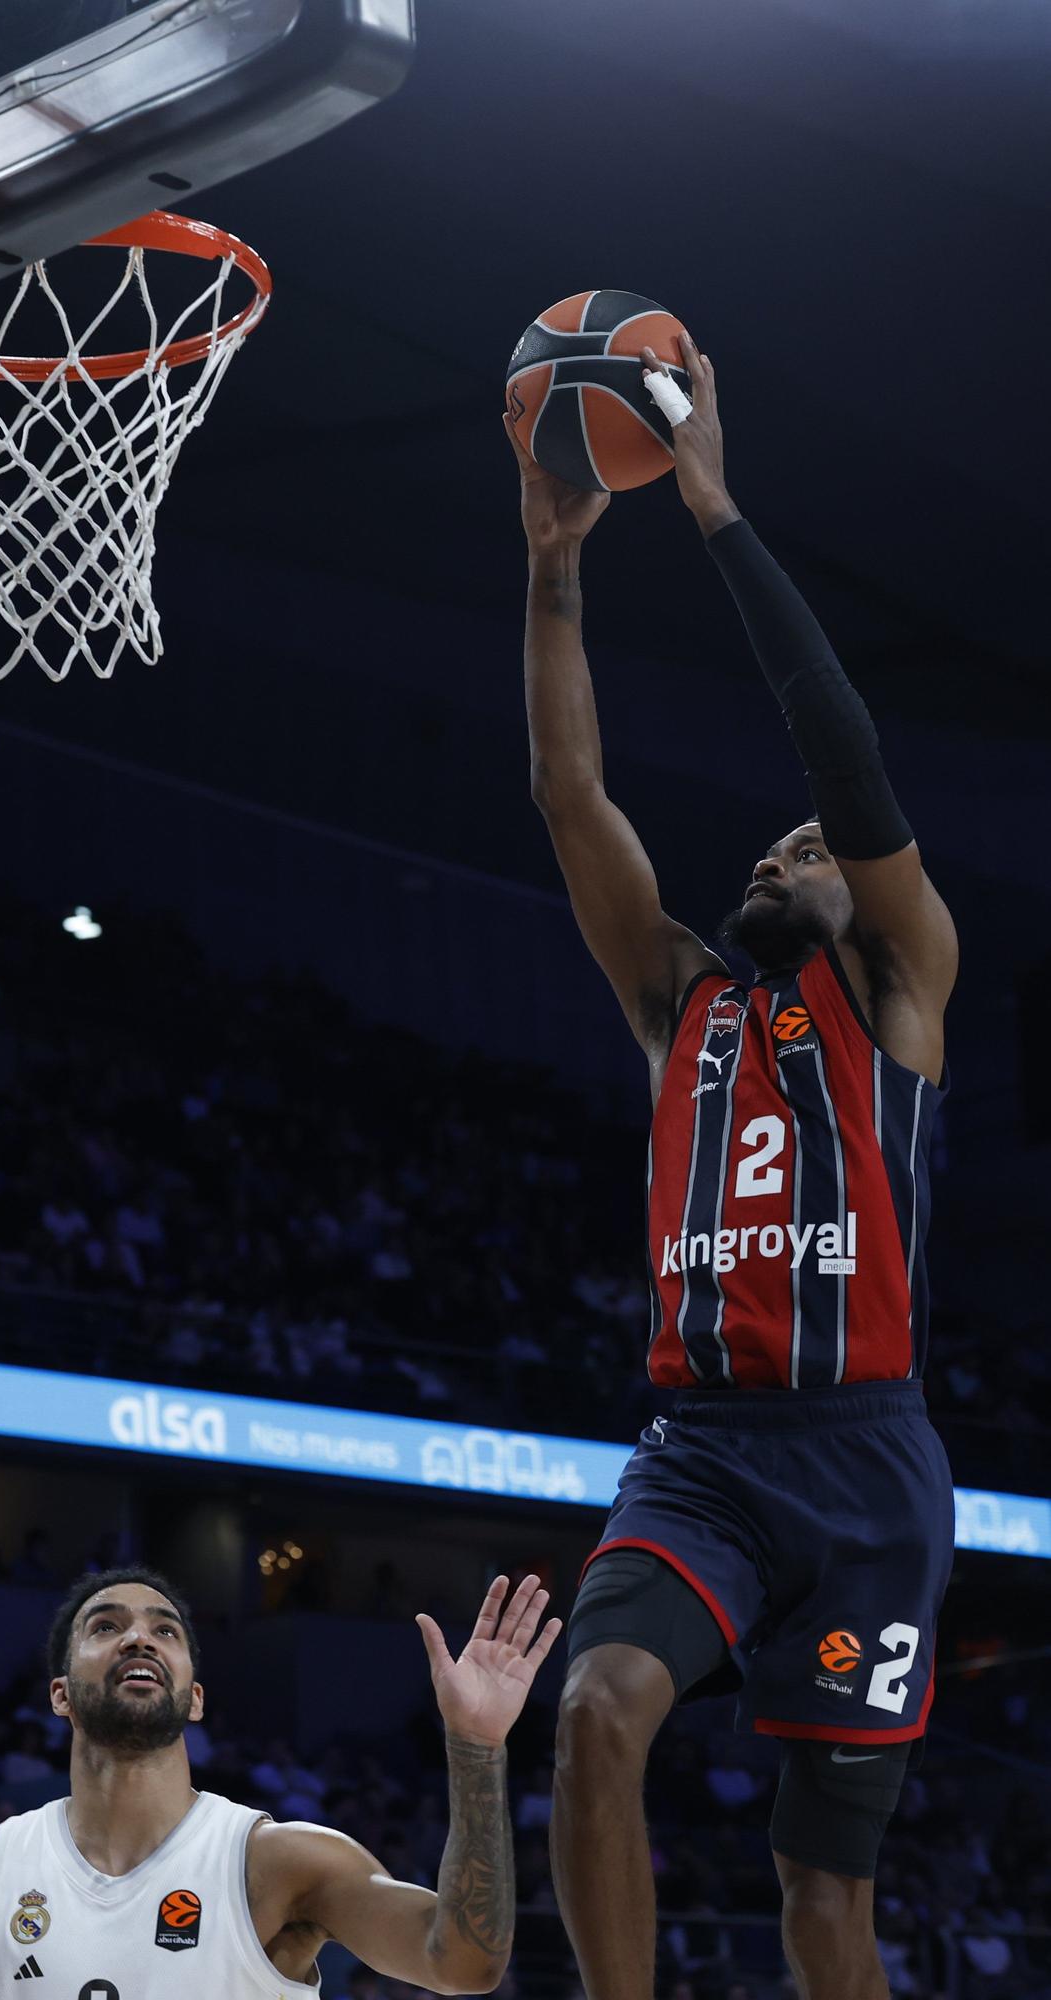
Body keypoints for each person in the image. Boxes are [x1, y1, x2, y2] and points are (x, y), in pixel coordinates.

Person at [507, 328, 958, 2000]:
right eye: (766, 846)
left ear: (856, 885)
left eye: (809, 853)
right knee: (592, 1716)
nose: (781, 852)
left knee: (817, 1897)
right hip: (702, 1453)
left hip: (864, 1474)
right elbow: (567, 791)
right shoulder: (678, 997)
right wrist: (551, 567)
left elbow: (840, 759)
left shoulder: (901, 987)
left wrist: (711, 515)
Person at [0, 1564, 560, 2000]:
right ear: (60, 1693)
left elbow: (462, 1964)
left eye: (165, 1630)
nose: (139, 1635)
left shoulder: (279, 1862)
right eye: (105, 1625)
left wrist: (476, 1749)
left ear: (195, 1694)